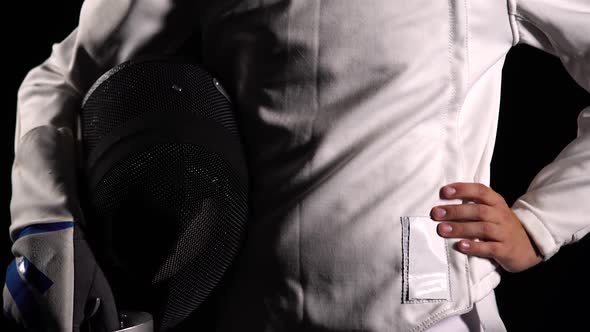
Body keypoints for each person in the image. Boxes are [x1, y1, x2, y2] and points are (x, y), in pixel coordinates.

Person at [4, 0, 589, 331]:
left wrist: (540, 226)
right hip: (249, 315)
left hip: (430, 316)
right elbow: (66, 78)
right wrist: (44, 218)